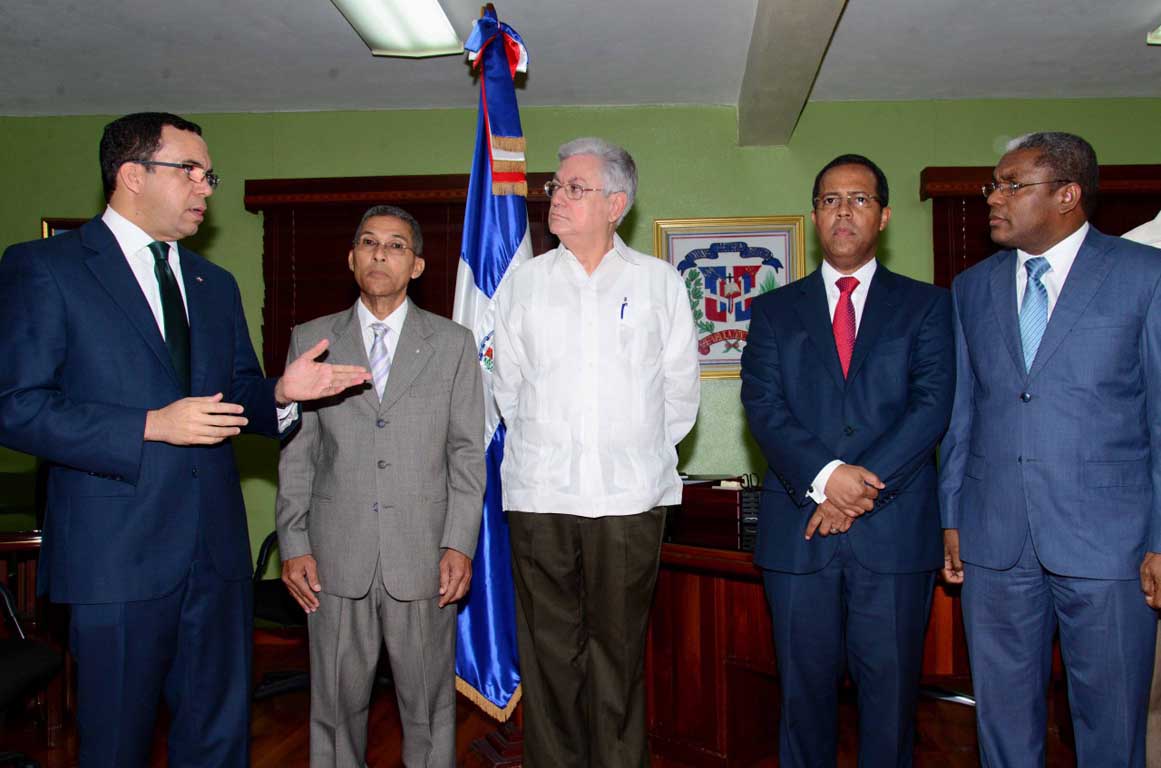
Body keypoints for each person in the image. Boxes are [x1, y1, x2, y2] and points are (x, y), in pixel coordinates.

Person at [0, 112, 370, 767]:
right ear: (131, 175)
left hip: (215, 556)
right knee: (115, 742)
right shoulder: (47, 267)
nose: (206, 187)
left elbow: (235, 397)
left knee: (219, 739)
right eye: (190, 171)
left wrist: (282, 393)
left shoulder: (212, 284)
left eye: (209, 174)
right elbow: (18, 409)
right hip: (114, 560)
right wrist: (147, 425)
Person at [940, 132, 1161, 767]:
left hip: (1111, 543)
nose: (994, 198)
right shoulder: (972, 287)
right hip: (995, 536)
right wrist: (953, 515)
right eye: (994, 185)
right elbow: (966, 413)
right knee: (1003, 720)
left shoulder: (1144, 277)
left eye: (1013, 185)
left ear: (1067, 195)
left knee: (1111, 723)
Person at [739, 154, 953, 767]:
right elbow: (765, 408)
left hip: (893, 537)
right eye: (831, 199)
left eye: (859, 199)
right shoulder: (774, 310)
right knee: (802, 704)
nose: (843, 211)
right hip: (798, 538)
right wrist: (829, 479)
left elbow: (931, 408)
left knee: (890, 708)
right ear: (814, 215)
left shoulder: (928, 306)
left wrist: (857, 494)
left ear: (884, 216)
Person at [492, 137, 699, 767]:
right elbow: (507, 390)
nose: (557, 197)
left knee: (618, 655)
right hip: (540, 495)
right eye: (556, 186)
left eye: (574, 188)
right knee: (549, 654)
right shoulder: (522, 284)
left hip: (630, 500)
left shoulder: (658, 283)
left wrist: (627, 455)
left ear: (616, 203)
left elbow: (680, 394)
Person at [276, 204, 484, 767]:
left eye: (395, 246)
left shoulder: (453, 343)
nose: (380, 254)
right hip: (334, 555)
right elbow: (298, 453)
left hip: (422, 555)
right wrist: (293, 545)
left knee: (428, 707)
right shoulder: (312, 339)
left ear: (416, 265)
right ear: (351, 258)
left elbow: (467, 452)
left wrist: (459, 542)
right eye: (369, 243)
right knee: (335, 706)